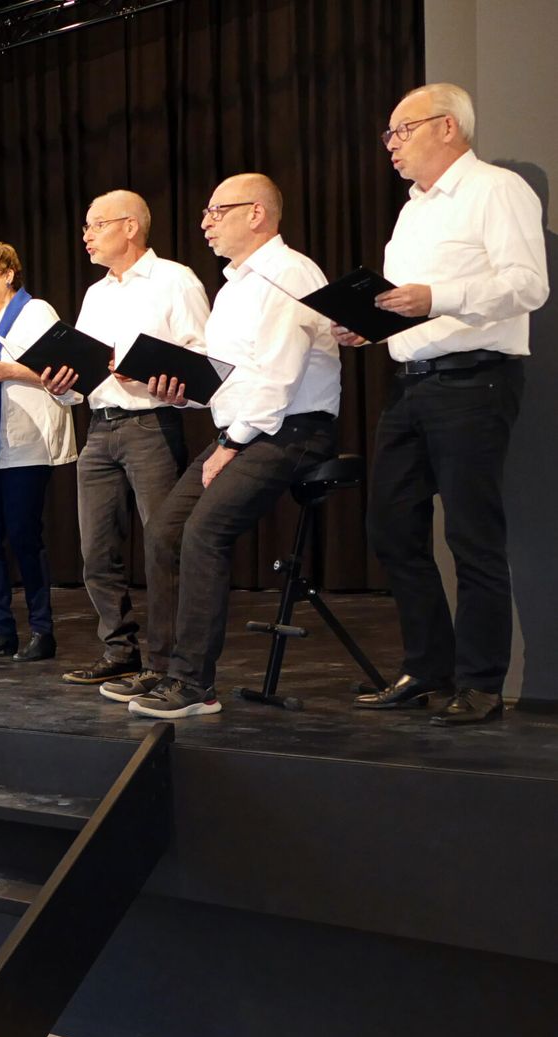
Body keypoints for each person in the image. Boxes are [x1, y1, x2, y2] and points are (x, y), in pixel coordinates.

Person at [340, 83, 548, 725]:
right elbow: (408, 305)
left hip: (474, 379)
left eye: (401, 130)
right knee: (391, 527)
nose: (391, 144)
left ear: (448, 127)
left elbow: (528, 285)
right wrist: (370, 325)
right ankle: (428, 668)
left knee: (471, 534)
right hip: (410, 383)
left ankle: (481, 683)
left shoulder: (496, 190)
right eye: (389, 134)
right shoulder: (412, 211)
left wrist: (438, 297)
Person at [114, 174, 341, 719]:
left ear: (256, 213)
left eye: (217, 212)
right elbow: (228, 380)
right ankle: (164, 667)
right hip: (245, 429)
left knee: (204, 532)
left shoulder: (288, 273)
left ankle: (195, 684)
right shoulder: (235, 285)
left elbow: (278, 378)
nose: (205, 223)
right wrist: (178, 390)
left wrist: (229, 445)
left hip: (290, 430)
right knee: (164, 532)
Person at [48, 190, 211, 685]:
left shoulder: (175, 280)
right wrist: (62, 384)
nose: (86, 235)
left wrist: (156, 374)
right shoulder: (96, 294)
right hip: (99, 427)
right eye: (86, 226)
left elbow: (204, 358)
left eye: (96, 225)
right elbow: (84, 366)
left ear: (131, 226)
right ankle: (119, 648)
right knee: (96, 549)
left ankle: (168, 662)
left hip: (150, 426)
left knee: (163, 544)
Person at [0, 242, 75, 663]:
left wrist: (10, 371)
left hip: (25, 444)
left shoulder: (36, 311)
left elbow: (63, 370)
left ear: (9, 274)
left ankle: (42, 630)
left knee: (25, 536)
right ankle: (1, 629)